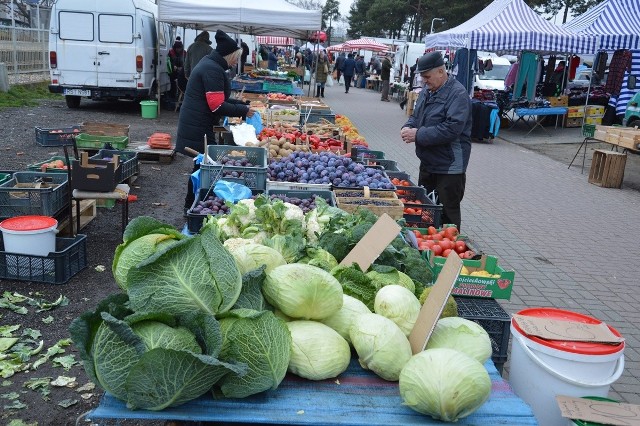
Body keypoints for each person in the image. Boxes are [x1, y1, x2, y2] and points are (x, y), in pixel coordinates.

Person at [176, 30, 256, 211]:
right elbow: (217, 106)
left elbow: (218, 99)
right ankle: (193, 206)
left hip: (197, 123)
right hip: (198, 126)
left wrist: (240, 104)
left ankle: (193, 204)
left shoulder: (211, 65)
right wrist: (242, 110)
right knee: (203, 166)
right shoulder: (212, 70)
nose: (237, 61)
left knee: (202, 166)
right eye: (236, 57)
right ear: (229, 56)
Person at [400, 51, 472, 229]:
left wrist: (417, 135)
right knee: (426, 209)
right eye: (422, 77)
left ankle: (452, 252)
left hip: (449, 166)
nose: (424, 81)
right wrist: (407, 126)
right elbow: (416, 116)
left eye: (427, 76)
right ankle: (428, 246)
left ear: (441, 71)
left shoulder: (458, 94)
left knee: (448, 213)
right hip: (428, 161)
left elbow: (452, 129)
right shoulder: (427, 91)